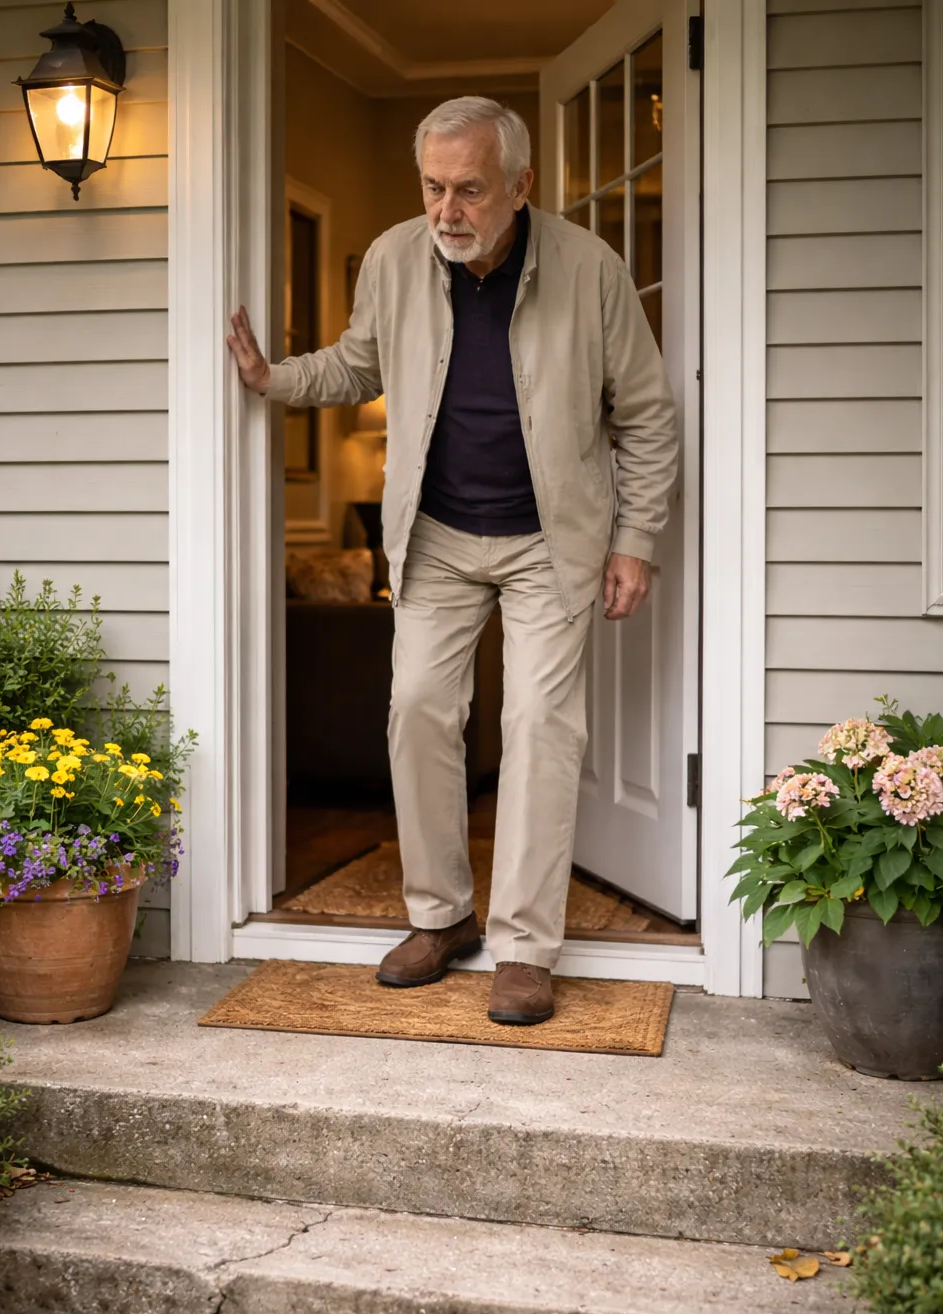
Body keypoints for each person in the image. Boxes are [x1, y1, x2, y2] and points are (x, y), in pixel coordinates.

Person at [227, 96, 678, 1026]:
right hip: (434, 536)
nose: (447, 210)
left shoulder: (591, 270)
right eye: (433, 187)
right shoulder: (396, 258)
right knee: (419, 713)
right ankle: (443, 918)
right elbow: (359, 365)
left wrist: (635, 540)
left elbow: (644, 414)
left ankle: (522, 947)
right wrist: (276, 379)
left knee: (542, 727)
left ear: (519, 185)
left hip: (551, 541)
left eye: (468, 189)